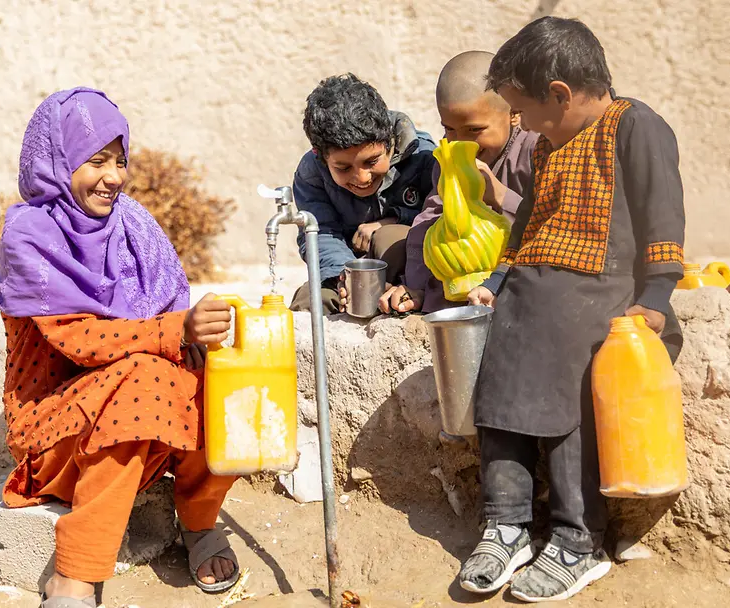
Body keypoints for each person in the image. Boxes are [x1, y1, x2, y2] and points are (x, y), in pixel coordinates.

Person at [459, 18, 686, 602]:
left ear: (560, 94)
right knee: (500, 376)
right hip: (535, 290)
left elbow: (663, 218)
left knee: (568, 392)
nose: (524, 125)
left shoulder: (635, 127)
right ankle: (506, 523)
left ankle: (576, 540)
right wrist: (498, 278)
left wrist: (656, 298)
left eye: (525, 111)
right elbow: (529, 223)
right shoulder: (547, 145)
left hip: (603, 296)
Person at [0, 88, 240, 607]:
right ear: (57, 162)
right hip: (56, 434)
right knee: (145, 378)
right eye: (95, 161)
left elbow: (171, 314)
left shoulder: (131, 223)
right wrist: (176, 331)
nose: (115, 176)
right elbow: (80, 341)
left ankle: (199, 519)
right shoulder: (31, 236)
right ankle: (76, 574)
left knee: (223, 374)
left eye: (120, 160)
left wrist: (193, 337)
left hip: (137, 416)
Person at [376, 51, 539, 316]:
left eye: (474, 130)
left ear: (514, 114)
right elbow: (429, 224)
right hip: (462, 283)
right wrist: (415, 287)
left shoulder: (536, 151)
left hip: (518, 274)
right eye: (449, 129)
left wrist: (500, 196)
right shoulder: (448, 159)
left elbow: (551, 224)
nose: (461, 142)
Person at [289, 73, 436, 314]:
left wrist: (394, 219)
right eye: (343, 168)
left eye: (372, 161)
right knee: (310, 300)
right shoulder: (310, 174)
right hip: (346, 273)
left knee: (388, 237)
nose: (362, 178)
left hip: (413, 276)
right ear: (322, 157)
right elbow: (319, 234)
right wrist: (348, 278)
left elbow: (441, 217)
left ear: (388, 141)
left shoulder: (424, 157)